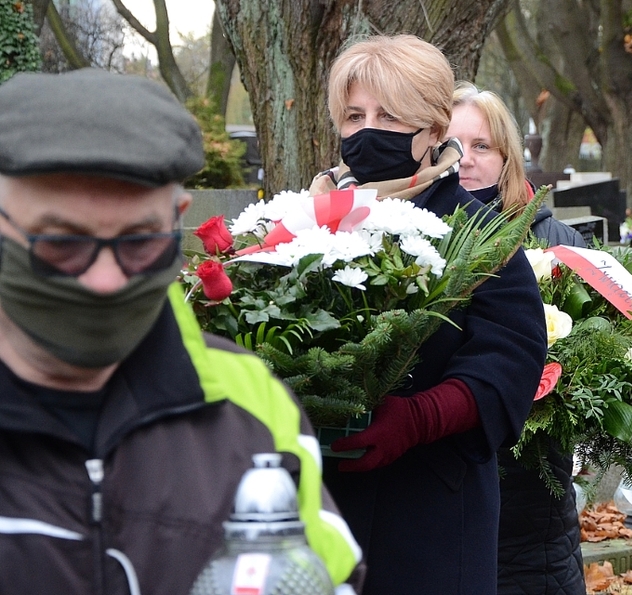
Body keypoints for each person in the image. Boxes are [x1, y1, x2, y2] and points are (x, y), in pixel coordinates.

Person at [0, 69, 363, 595]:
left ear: (179, 218)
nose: (106, 280)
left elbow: (329, 576)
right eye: (61, 243)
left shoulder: (250, 402)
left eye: (140, 241)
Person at [309, 36, 548, 595]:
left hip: (429, 513)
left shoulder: (478, 232)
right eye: (354, 116)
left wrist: (418, 419)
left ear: (436, 130)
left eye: (390, 116)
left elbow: (510, 359)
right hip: (322, 507)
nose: (368, 131)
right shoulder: (306, 221)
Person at [447, 81, 587, 595]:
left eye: (481, 146)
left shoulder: (557, 241)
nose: (465, 159)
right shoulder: (410, 237)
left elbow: (596, 352)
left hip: (533, 510)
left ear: (507, 158)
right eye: (452, 145)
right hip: (446, 482)